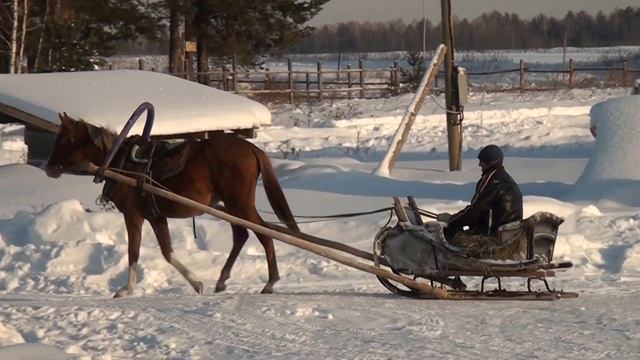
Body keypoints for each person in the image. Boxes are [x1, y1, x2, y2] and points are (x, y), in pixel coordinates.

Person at [437, 144, 523, 257]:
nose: (479, 164)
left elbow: (475, 210)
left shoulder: (492, 180)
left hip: (491, 237)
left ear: (490, 162)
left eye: (482, 161)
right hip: (510, 235)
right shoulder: (506, 179)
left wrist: (452, 221)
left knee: (448, 238)